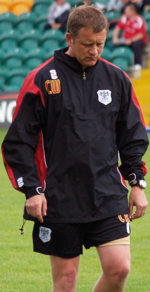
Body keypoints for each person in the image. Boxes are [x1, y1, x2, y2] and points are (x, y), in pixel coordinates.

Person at [1, 5, 149, 292]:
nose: (95, 51)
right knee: (66, 281)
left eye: (100, 44)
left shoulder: (117, 78)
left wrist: (137, 183)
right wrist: (32, 190)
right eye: (87, 44)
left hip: (107, 193)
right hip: (59, 197)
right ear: (69, 39)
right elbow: (18, 142)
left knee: (119, 269)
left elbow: (132, 136)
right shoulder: (42, 79)